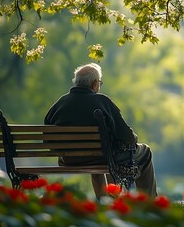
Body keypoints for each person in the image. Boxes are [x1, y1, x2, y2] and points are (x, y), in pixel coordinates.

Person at [44, 63, 157, 198]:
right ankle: (149, 203)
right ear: (95, 83)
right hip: (102, 157)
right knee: (145, 151)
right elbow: (127, 137)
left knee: (102, 155)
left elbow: (47, 137)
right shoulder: (102, 102)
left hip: (69, 159)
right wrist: (134, 138)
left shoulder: (60, 103)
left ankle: (103, 202)